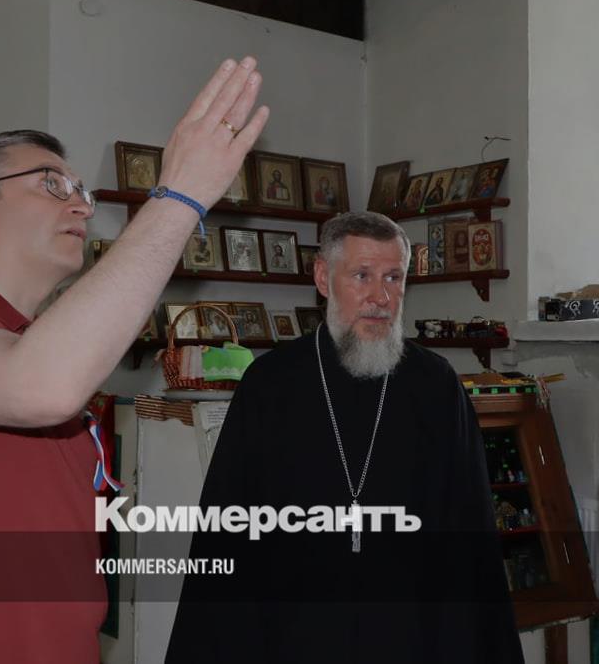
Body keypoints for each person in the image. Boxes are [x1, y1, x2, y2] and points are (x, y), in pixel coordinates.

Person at [0, 56, 269, 663]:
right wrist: (180, 197)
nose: (82, 206)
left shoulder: (43, 341)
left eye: (82, 192)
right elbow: (37, 388)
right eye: (52, 184)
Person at [166, 211, 523, 663]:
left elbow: (471, 533)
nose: (381, 297)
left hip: (410, 633)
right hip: (295, 633)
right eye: (362, 276)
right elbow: (228, 528)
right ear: (323, 277)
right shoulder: (271, 384)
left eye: (394, 277)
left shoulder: (435, 385)